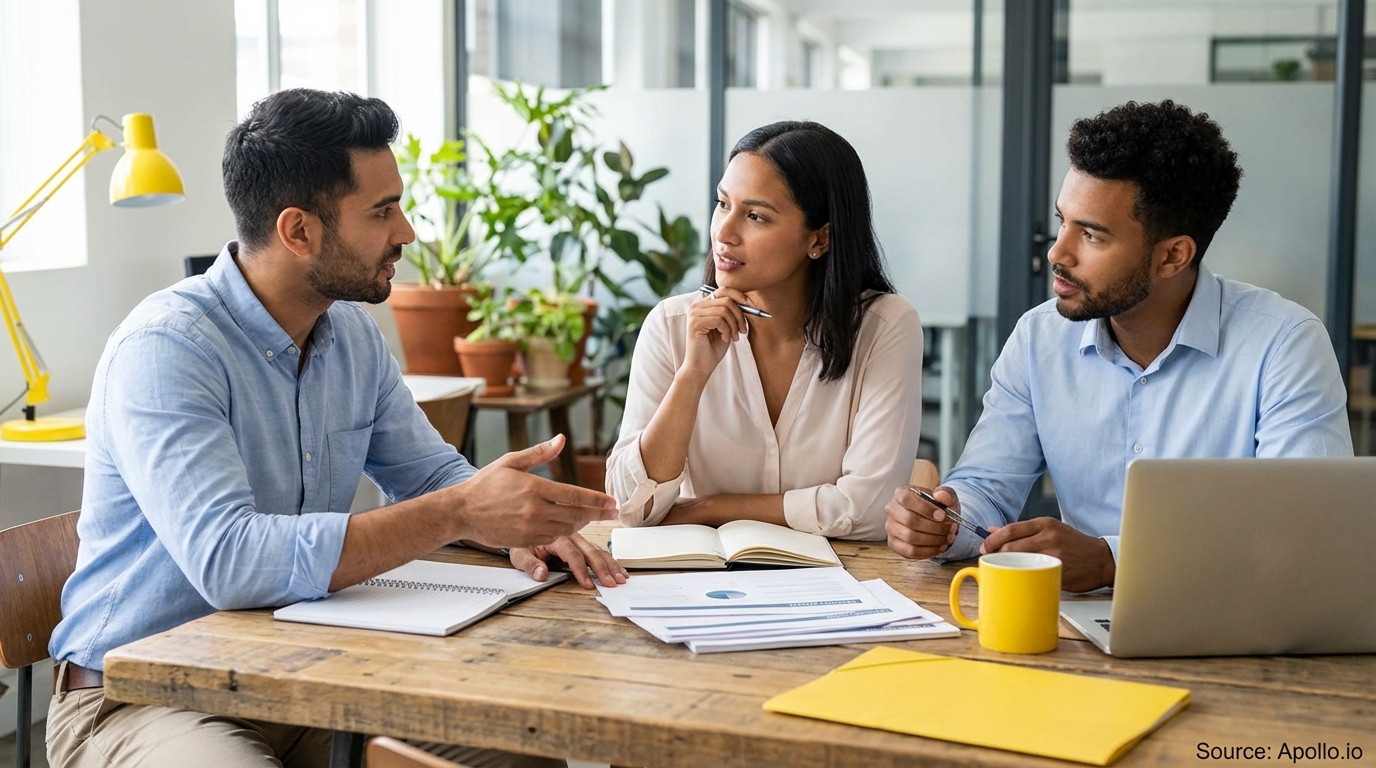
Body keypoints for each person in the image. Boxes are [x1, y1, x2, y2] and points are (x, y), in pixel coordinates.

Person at [46, 88, 625, 768]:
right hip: (140, 695)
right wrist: (460, 510)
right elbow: (230, 562)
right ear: (299, 231)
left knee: (518, 751)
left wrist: (520, 525)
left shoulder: (349, 332)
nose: (406, 232)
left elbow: (431, 476)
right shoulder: (167, 348)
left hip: (300, 674)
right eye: (383, 212)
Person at [886, 99, 1353, 592]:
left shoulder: (1284, 345)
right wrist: (947, 519)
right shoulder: (1039, 337)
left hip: (1231, 627)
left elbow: (1305, 534)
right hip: (1076, 630)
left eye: (1091, 235)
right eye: (1062, 221)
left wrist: (1113, 561)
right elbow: (987, 486)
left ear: (1173, 255)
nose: (1057, 252)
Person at [606, 121, 923, 541]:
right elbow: (632, 507)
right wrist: (692, 375)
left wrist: (709, 508)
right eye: (723, 204)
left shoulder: (884, 327)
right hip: (694, 585)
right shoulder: (671, 325)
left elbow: (866, 511)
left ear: (820, 238)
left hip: (838, 585)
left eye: (755, 215)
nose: (724, 232)